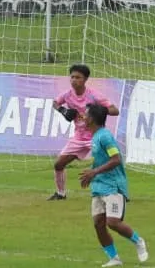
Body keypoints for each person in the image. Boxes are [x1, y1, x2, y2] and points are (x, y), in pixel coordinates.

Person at [78, 104, 149, 268]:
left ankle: (138, 241)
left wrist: (94, 172)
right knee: (98, 224)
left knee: (113, 222)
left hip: (113, 186)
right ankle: (114, 258)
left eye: (86, 114)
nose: (83, 116)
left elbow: (116, 159)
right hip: (99, 186)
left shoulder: (105, 137)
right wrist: (91, 173)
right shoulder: (95, 136)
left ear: (93, 118)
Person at [48, 64, 119, 201]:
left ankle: (119, 191)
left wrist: (96, 110)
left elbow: (115, 110)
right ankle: (61, 193)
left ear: (85, 79)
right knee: (59, 164)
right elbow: (55, 103)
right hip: (79, 137)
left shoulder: (94, 95)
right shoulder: (67, 95)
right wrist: (64, 111)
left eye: (78, 77)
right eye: (72, 77)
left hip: (96, 137)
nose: (74, 80)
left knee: (111, 163)